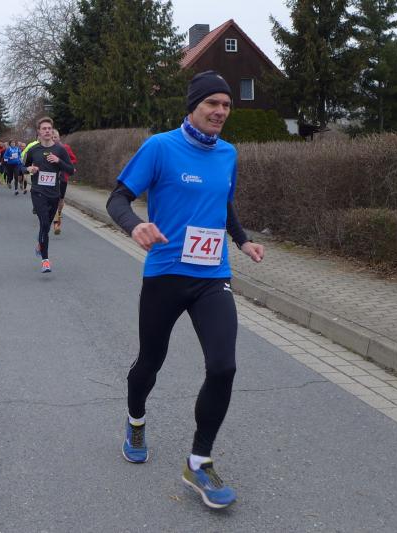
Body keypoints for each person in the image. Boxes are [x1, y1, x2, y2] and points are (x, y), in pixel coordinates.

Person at [106, 70, 265, 509]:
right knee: (150, 361)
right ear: (193, 106)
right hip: (166, 273)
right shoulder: (160, 147)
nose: (220, 111)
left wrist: (242, 240)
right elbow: (117, 198)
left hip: (213, 276)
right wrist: (135, 225)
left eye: (226, 105)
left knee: (224, 366)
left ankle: (199, 461)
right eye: (212, 103)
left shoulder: (228, 153)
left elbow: (224, 203)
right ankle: (136, 420)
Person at [23, 117, 74, 273]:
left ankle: (41, 242)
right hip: (38, 192)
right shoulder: (33, 150)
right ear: (39, 132)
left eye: (49, 128)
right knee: (44, 223)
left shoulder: (60, 150)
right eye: (44, 128)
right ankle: (45, 260)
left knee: (45, 227)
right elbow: (22, 168)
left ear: (52, 131)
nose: (47, 131)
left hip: (54, 194)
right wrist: (28, 169)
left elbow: (71, 170)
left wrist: (58, 161)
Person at [51, 130, 77, 235]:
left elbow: (73, 159)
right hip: (52, 179)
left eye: (55, 137)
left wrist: (66, 164)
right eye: (52, 137)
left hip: (63, 178)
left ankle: (59, 212)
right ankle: (56, 223)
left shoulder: (65, 148)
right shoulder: (47, 149)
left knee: (60, 200)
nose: (53, 139)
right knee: (53, 200)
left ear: (59, 138)